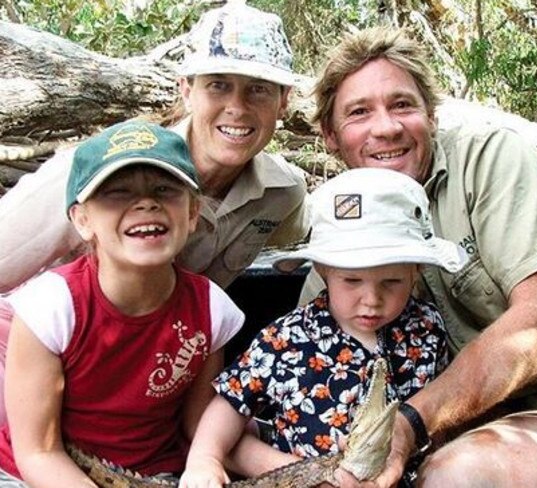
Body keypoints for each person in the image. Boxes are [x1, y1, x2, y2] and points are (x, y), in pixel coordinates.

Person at [300, 26, 537, 487]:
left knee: (459, 476)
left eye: (403, 105)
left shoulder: (487, 160)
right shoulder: (336, 240)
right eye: (359, 113)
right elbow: (298, 364)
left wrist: (410, 423)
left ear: (431, 116)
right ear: (330, 135)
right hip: (516, 418)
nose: (385, 127)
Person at [0, 0, 308, 424]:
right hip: (37, 350)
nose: (238, 107)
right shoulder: (97, 175)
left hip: (153, 362)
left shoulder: (281, 193)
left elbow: (295, 244)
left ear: (284, 101)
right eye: (218, 85)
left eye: (258, 88)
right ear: (187, 89)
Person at [177, 167, 467, 487]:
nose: (371, 299)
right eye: (352, 281)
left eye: (391, 282)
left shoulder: (426, 328)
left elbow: (441, 408)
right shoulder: (287, 339)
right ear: (323, 269)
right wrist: (206, 459)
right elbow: (230, 404)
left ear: (417, 271)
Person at [0, 121, 246, 487]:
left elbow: (198, 423)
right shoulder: (50, 309)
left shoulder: (212, 310)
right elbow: (39, 452)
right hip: (38, 473)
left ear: (193, 213)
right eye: (117, 192)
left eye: (165, 189)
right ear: (83, 220)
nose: (146, 202)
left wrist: (211, 465)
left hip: (155, 474)